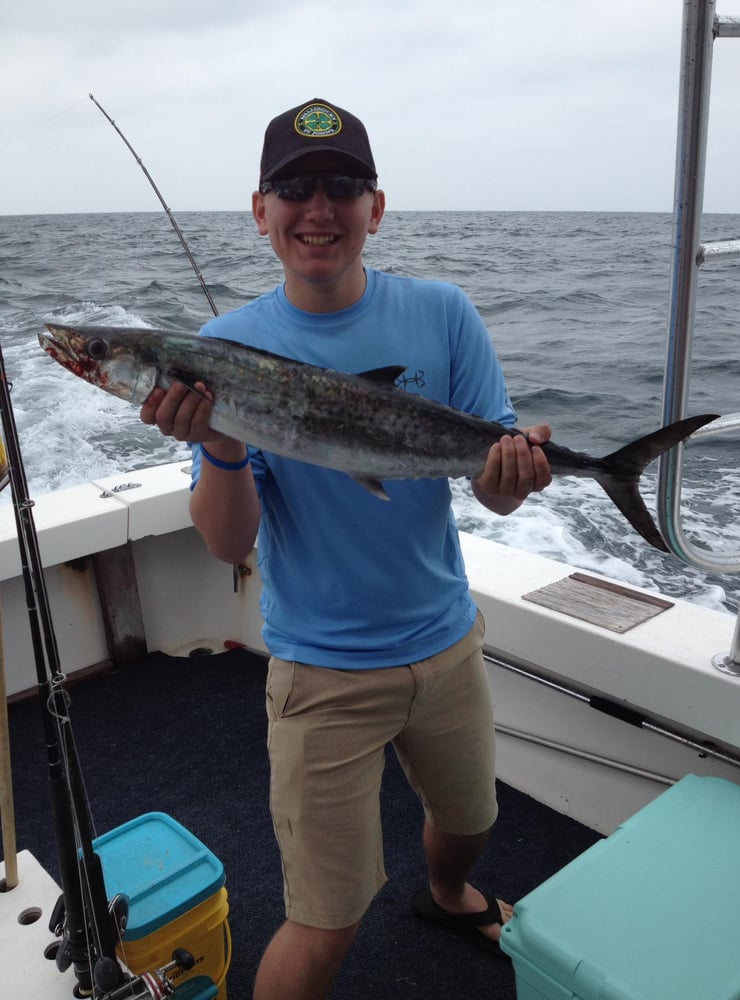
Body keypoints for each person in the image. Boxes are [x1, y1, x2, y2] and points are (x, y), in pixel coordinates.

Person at [140, 98, 552, 1000]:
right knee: (325, 922)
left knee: (472, 817)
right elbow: (228, 541)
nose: (317, 208)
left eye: (342, 186)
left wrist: (511, 477)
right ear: (260, 210)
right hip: (322, 673)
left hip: (446, 642)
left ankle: (448, 895)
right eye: (294, 187)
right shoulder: (220, 348)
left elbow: (490, 480)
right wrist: (217, 442)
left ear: (377, 206)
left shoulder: (443, 315)